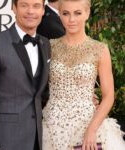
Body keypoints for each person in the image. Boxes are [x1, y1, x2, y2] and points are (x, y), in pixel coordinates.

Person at [42, 0, 125, 149]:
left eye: (78, 13)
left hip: (88, 124)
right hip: (51, 126)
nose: (71, 19)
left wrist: (92, 129)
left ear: (87, 13)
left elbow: (108, 96)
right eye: (66, 13)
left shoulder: (99, 49)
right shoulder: (49, 46)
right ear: (59, 14)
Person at [0, 0, 51, 150]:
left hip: (36, 140)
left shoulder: (45, 44)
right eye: (24, 5)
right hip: (3, 140)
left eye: (36, 6)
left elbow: (40, 92)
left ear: (43, 10)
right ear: (13, 8)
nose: (30, 11)